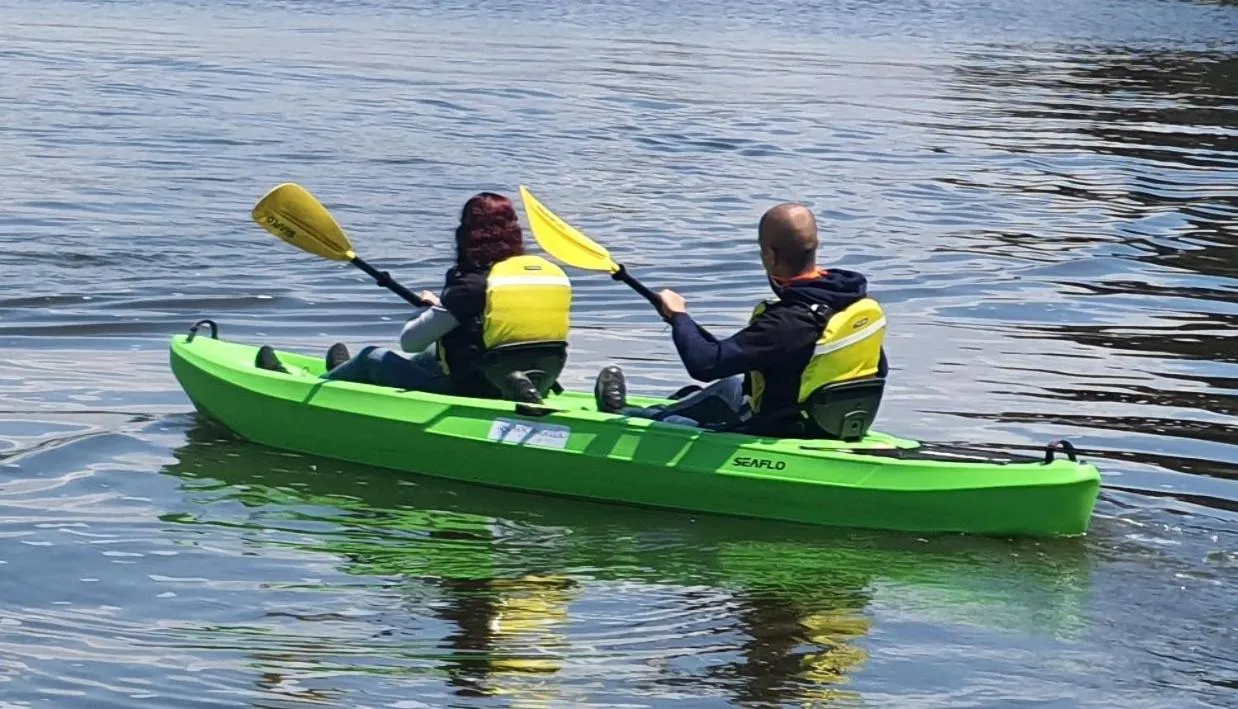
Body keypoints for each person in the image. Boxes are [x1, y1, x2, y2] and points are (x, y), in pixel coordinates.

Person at [593, 202, 888, 437]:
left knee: (691, 410)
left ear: (770, 255)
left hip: (782, 427)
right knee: (724, 388)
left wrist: (680, 315)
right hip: (831, 420)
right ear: (816, 244)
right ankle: (674, 404)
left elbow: (705, 364)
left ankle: (622, 415)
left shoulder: (788, 321)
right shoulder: (851, 301)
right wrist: (679, 321)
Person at [255, 192, 572, 403]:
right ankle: (350, 376)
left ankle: (304, 389)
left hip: (475, 390)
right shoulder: (542, 276)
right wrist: (443, 311)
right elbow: (496, 327)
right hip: (532, 381)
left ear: (467, 234)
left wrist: (432, 313)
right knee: (431, 358)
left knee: (371, 357)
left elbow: (411, 341)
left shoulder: (471, 285)